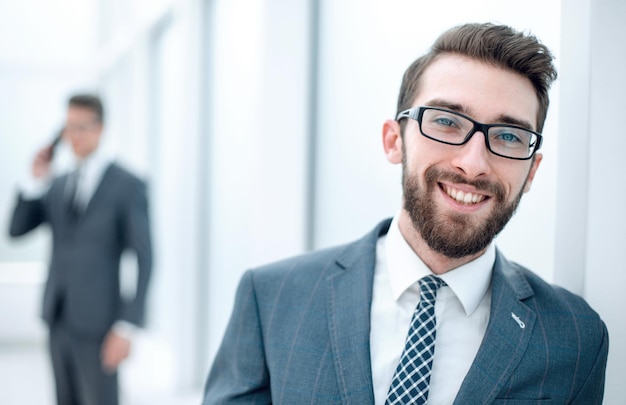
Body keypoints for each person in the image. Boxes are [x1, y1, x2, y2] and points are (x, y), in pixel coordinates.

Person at [202, 23, 609, 404]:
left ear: (532, 170)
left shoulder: (574, 337)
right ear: (394, 141)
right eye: (447, 122)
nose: (473, 163)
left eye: (508, 136)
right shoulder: (272, 298)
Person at [9, 94, 153, 405]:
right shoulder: (58, 183)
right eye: (68, 128)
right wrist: (35, 180)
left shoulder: (128, 184)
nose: (74, 136)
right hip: (57, 317)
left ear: (100, 129)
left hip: (100, 324)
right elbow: (16, 230)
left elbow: (145, 258)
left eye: (82, 127)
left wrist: (127, 326)